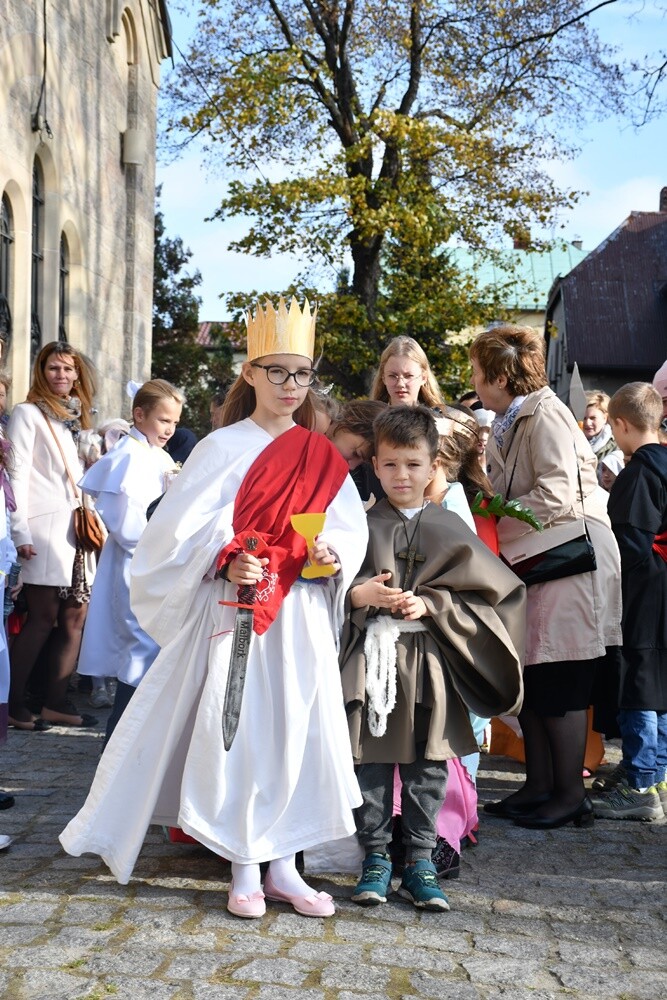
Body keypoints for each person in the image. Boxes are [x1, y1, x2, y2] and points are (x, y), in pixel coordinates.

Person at [60, 297, 368, 920]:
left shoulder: (320, 453)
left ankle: (286, 862)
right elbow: (171, 536)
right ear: (251, 372)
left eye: (302, 373)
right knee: (242, 734)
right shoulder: (220, 448)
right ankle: (246, 864)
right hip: (238, 614)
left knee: (295, 734)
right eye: (277, 371)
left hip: (299, 615)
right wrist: (224, 556)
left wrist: (333, 554)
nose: (290, 385)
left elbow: (346, 530)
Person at [339, 405, 525, 911]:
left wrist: (434, 603)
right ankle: (376, 856)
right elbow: (327, 591)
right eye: (392, 464)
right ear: (375, 465)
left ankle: (420, 860)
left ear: (432, 465)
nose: (403, 475)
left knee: (429, 764)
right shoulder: (355, 525)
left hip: (432, 662)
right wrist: (360, 596)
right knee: (370, 762)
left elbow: (497, 595)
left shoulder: (448, 526)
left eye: (413, 464)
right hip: (373, 662)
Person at [470, 325, 622, 829]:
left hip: (568, 562)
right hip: (540, 561)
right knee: (535, 675)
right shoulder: (514, 418)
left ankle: (569, 793)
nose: (472, 379)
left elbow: (557, 495)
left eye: (476, 370)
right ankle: (539, 785)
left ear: (498, 375)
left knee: (561, 677)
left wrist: (492, 518)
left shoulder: (547, 413)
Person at [75, 380, 183, 743]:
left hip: (157, 565)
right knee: (139, 645)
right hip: (137, 566)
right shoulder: (126, 456)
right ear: (140, 415)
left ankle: (136, 740)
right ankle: (118, 739)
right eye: (163, 420)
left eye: (174, 422)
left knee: (151, 646)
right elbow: (126, 526)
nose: (169, 429)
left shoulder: (155, 453)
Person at [7, 342, 100, 730]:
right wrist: (19, 532)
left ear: (78, 374)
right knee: (41, 618)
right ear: (40, 372)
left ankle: (56, 702)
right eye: (53, 368)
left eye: (67, 369)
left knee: (74, 619)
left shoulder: (78, 420)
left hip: (77, 530)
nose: (60, 375)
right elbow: (16, 473)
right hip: (43, 529)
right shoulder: (27, 414)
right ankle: (12, 705)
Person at [591, 383, 667, 822]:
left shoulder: (641, 471)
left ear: (619, 424)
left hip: (646, 590)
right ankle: (653, 772)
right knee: (660, 680)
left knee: (639, 681)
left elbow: (633, 544)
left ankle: (640, 784)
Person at [370, 336, 445, 410]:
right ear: (383, 378)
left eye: (408, 376)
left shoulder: (441, 421)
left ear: (423, 378)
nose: (400, 384)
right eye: (392, 376)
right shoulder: (368, 419)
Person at [582, 391, 617, 484]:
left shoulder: (615, 447)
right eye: (584, 418)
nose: (587, 423)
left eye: (593, 418)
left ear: (605, 418)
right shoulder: (573, 444)